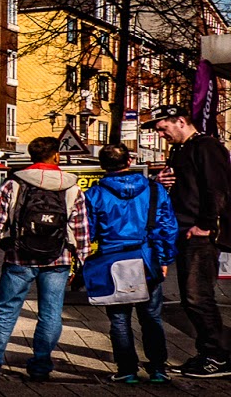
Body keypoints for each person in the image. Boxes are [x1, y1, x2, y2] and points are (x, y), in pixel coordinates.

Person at [0, 136, 91, 381]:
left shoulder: (14, 183)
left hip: (19, 257)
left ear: (31, 157)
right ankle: (41, 367)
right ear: (56, 156)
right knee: (51, 314)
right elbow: (81, 228)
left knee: (6, 311)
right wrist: (83, 261)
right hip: (57, 260)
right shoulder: (72, 187)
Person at [146, 103, 231, 377]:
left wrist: (205, 225)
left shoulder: (206, 147)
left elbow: (216, 188)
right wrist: (163, 182)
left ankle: (219, 357)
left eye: (163, 128)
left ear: (181, 121)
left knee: (197, 296)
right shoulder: (181, 150)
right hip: (184, 232)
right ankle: (207, 352)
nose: (161, 135)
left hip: (200, 236)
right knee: (190, 298)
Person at [84, 142, 178, 383]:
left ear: (102, 166)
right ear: (129, 162)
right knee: (151, 317)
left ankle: (127, 370)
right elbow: (167, 227)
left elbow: (88, 231)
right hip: (146, 258)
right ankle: (158, 369)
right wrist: (165, 258)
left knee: (119, 318)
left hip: (112, 260)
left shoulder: (94, 194)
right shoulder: (155, 190)